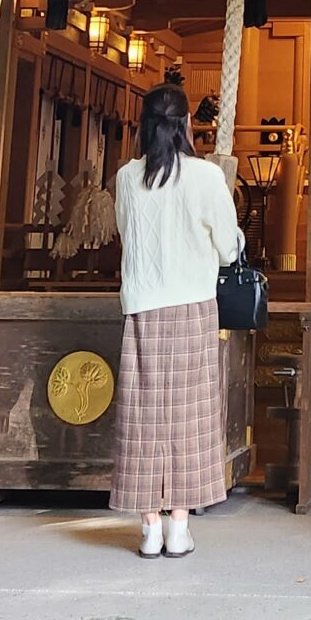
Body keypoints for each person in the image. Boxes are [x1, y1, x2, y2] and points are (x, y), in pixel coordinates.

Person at [111, 81, 242, 557]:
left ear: (144, 127)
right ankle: (180, 526)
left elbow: (125, 232)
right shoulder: (205, 177)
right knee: (190, 415)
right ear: (188, 124)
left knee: (143, 415)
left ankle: (148, 527)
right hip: (192, 305)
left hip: (144, 305)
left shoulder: (127, 177)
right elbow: (229, 247)